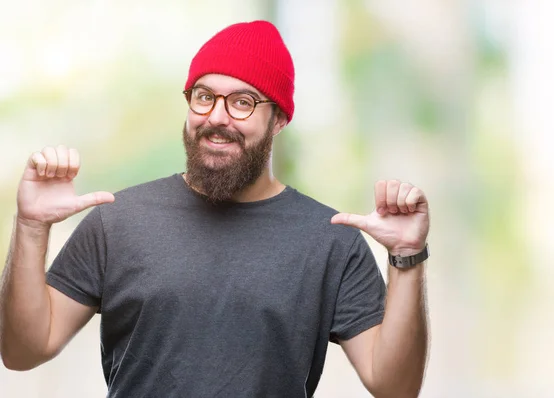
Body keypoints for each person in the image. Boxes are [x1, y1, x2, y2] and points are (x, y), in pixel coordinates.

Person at [0, 20, 430, 398]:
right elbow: (21, 352)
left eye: (242, 102)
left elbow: (395, 388)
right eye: (204, 96)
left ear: (278, 119)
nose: (217, 117)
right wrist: (31, 226)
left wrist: (407, 258)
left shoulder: (331, 239)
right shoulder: (117, 221)